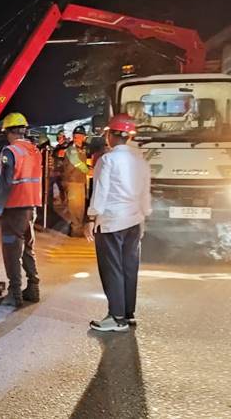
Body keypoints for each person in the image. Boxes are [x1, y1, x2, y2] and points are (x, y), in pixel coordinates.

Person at [84, 114, 151, 332]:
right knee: (129, 267)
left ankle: (116, 317)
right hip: (134, 220)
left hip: (112, 222)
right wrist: (144, 217)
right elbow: (145, 194)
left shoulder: (107, 160)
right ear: (128, 136)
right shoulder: (140, 160)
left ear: (110, 135)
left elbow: (100, 192)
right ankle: (128, 313)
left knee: (112, 269)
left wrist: (91, 218)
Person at [0, 112, 43, 308]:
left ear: (8, 132)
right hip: (31, 207)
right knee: (27, 247)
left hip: (14, 208)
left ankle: (14, 293)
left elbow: (6, 184)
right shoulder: (34, 150)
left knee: (12, 250)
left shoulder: (10, 151)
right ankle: (33, 287)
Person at [62, 125, 91, 237]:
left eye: (79, 136)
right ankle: (76, 231)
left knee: (79, 207)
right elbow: (77, 163)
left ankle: (77, 229)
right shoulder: (72, 149)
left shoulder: (80, 149)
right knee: (76, 208)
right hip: (73, 181)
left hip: (78, 181)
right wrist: (89, 171)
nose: (77, 138)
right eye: (76, 136)